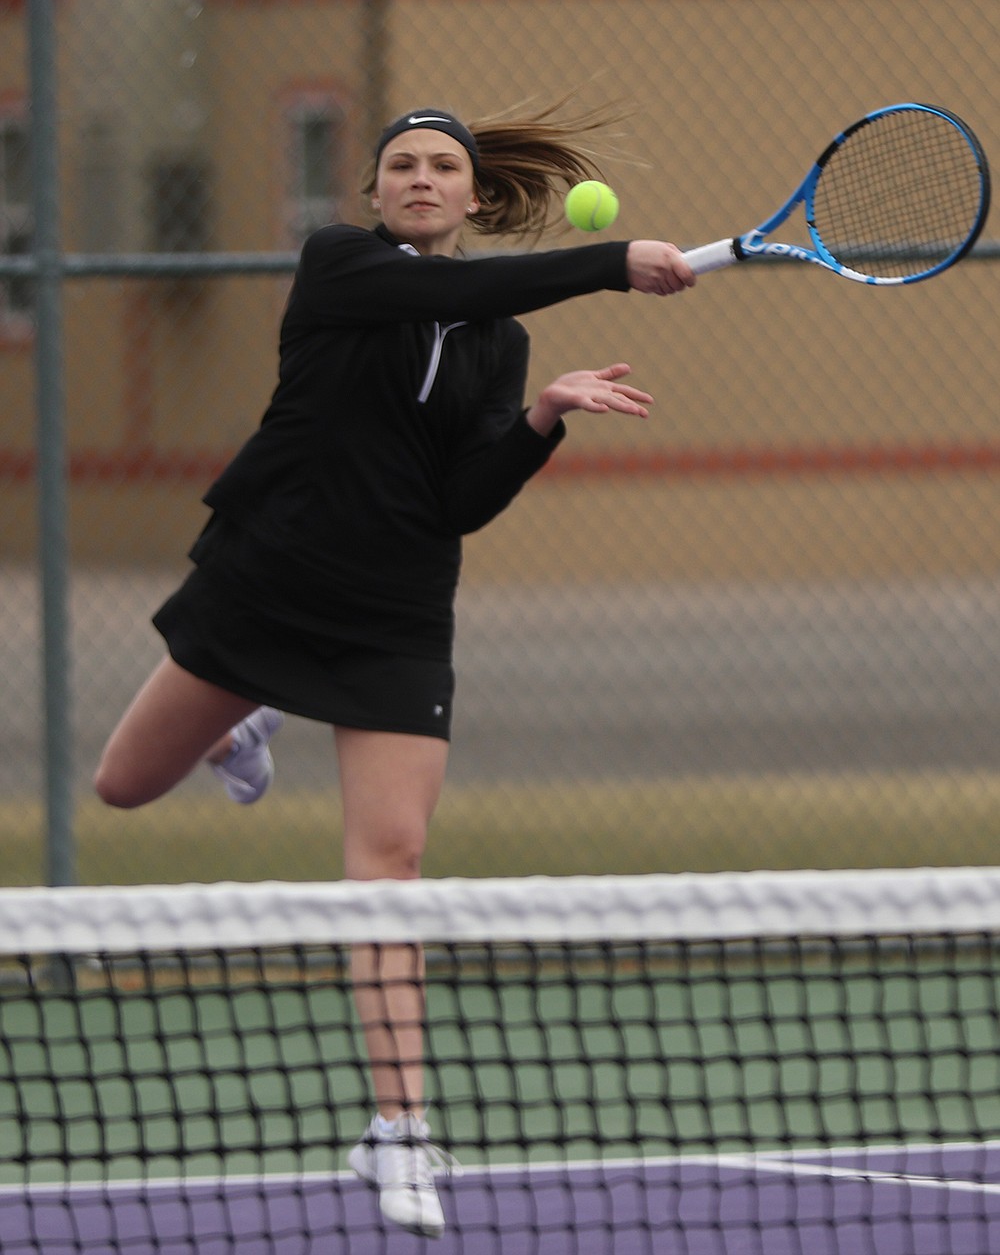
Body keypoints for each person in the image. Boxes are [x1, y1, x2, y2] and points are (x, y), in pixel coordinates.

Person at [94, 98, 696, 1238]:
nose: (421, 179)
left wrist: (542, 418)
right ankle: (246, 716)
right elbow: (452, 291)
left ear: (474, 196)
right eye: (401, 166)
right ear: (371, 195)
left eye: (443, 168)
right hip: (266, 578)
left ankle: (400, 1132)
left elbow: (459, 500)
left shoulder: (498, 337)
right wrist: (615, 261)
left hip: (394, 611)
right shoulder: (340, 266)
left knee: (392, 863)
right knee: (123, 784)